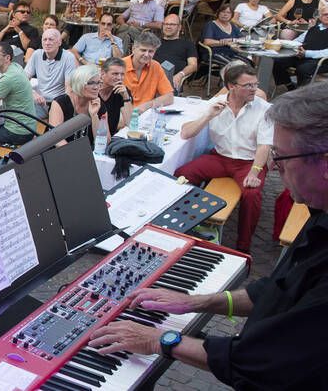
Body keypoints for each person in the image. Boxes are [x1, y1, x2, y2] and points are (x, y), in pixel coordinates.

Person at [94, 77, 328, 386]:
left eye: (281, 157)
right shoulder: (320, 210)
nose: (275, 167)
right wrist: (196, 302)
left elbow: (260, 362)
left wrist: (160, 340)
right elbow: (279, 290)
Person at [170, 62, 271, 252]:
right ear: (231, 86)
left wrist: (255, 172)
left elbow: (264, 145)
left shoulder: (264, 108)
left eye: (255, 84)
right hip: (220, 158)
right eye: (248, 85)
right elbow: (186, 133)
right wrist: (208, 115)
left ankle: (243, 246)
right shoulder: (215, 104)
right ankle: (186, 224)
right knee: (182, 174)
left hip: (248, 162)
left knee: (252, 194)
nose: (254, 89)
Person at [0, 43, 37, 148]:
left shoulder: (8, 78)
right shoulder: (16, 66)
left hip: (19, 132)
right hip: (27, 126)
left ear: (7, 58)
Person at [271, 3, 328, 89]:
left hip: (321, 61)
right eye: (325, 14)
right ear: (320, 16)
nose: (327, 16)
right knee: (278, 60)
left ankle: (301, 93)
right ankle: (289, 86)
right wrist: (294, 48)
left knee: (303, 69)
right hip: (302, 56)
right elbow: (298, 40)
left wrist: (306, 53)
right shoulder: (313, 28)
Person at [47, 64, 102, 146]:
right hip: (58, 153)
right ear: (78, 83)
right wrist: (75, 155)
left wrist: (94, 116)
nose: (96, 87)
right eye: (91, 83)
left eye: (98, 83)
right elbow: (56, 139)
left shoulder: (97, 103)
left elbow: (102, 142)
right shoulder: (60, 103)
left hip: (87, 153)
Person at [25, 28, 77, 111]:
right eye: (44, 39)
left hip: (58, 103)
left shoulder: (68, 57)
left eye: (51, 39)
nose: (47, 43)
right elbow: (23, 79)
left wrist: (59, 107)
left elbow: (69, 88)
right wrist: (33, 93)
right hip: (39, 102)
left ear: (59, 42)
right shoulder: (37, 54)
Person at [122, 32, 175, 111]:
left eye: (151, 51)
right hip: (122, 114)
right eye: (143, 50)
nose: (146, 54)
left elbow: (169, 96)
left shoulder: (156, 66)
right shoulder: (119, 66)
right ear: (133, 49)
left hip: (147, 113)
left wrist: (147, 105)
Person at [156, 14, 198, 90]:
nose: (168, 26)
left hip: (172, 81)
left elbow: (193, 65)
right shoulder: (154, 42)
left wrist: (181, 74)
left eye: (172, 24)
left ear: (179, 27)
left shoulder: (187, 44)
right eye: (166, 24)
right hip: (152, 78)